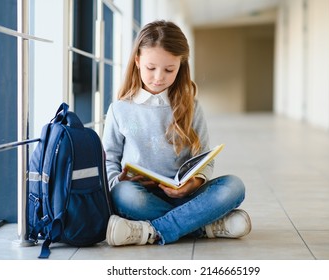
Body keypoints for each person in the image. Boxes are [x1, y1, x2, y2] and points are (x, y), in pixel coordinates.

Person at [102, 20, 251, 246]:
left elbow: (204, 158)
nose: (159, 77)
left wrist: (193, 183)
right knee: (123, 194)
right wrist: (118, 180)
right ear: (137, 61)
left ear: (180, 67)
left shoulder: (191, 106)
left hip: (187, 196)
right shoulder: (120, 109)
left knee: (234, 186)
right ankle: (202, 225)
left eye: (169, 69)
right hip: (142, 195)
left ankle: (150, 230)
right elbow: (109, 159)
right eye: (151, 68)